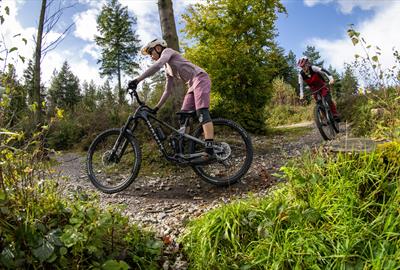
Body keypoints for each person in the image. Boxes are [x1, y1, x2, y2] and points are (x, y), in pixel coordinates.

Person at [128, 38, 215, 162]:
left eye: (151, 52)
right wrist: (156, 108)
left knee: (201, 111)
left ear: (158, 48)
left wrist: (137, 80)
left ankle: (209, 150)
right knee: (183, 116)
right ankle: (185, 150)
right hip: (191, 85)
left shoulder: (168, 51)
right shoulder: (167, 69)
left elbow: (157, 65)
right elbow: (167, 91)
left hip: (200, 78)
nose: (151, 57)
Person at [297, 56, 340, 121]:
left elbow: (324, 71)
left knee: (328, 98)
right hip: (314, 89)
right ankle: (326, 118)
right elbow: (300, 85)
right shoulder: (301, 74)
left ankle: (335, 114)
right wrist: (301, 95)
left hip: (321, 85)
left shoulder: (313, 68)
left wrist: (331, 79)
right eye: (302, 67)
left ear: (307, 64)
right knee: (319, 103)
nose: (303, 68)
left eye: (304, 66)